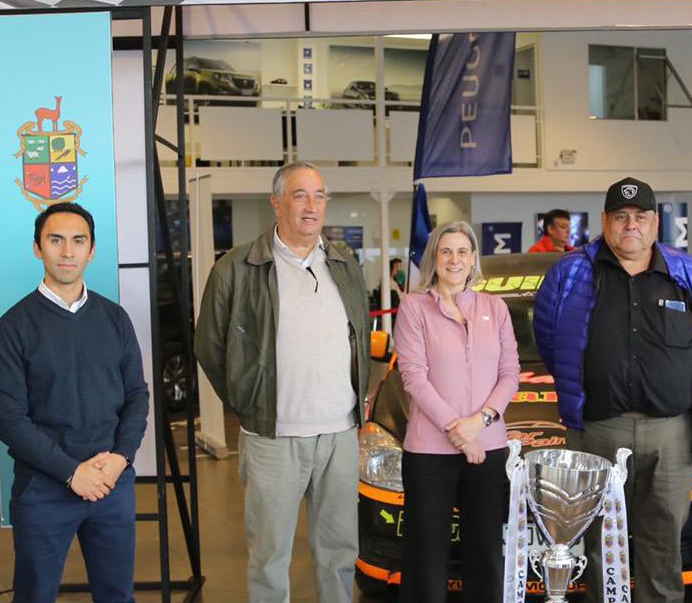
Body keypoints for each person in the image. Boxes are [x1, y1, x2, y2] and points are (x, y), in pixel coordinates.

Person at [534, 176, 692, 603]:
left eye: (640, 216)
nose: (630, 225)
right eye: (621, 216)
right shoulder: (571, 272)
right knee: (601, 547)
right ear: (604, 221)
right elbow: (550, 339)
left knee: (664, 547)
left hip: (671, 436)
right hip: (598, 432)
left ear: (655, 223)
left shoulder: (689, 275)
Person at [196, 161, 371, 603]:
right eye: (299, 195)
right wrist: (247, 400)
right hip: (273, 437)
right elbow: (209, 345)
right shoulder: (236, 268)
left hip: (340, 435)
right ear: (276, 203)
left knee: (339, 552)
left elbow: (360, 334)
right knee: (270, 556)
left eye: (319, 196)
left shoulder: (344, 265)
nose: (311, 206)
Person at [0, 202, 150, 602]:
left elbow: (136, 396)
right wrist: (71, 472)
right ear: (37, 248)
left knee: (117, 595)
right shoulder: (15, 325)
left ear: (91, 251)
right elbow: (8, 418)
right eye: (55, 240)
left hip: (111, 481)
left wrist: (121, 458)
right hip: (44, 489)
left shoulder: (115, 318)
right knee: (35, 595)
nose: (67, 252)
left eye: (78, 241)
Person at [395, 220, 521, 603]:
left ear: (473, 258)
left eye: (462, 251)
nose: (454, 259)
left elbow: (510, 374)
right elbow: (414, 377)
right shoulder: (413, 308)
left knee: (485, 552)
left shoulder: (495, 308)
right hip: (429, 453)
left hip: (488, 447)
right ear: (434, 258)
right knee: (426, 556)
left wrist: (479, 423)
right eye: (446, 251)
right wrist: (459, 431)